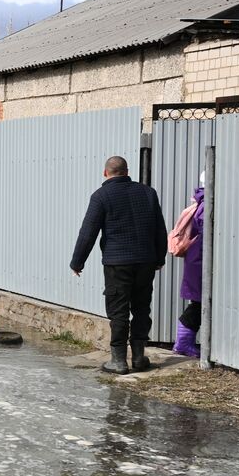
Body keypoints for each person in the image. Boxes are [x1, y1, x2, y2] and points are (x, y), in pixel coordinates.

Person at [69, 155, 168, 375]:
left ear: (106, 173)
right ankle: (140, 357)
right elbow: (159, 229)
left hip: (117, 263)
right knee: (142, 307)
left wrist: (77, 262)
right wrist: (159, 258)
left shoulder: (101, 196)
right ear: (127, 171)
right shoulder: (147, 193)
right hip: (145, 261)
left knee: (119, 310)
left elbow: (88, 233)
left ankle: (118, 360)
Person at [173, 172, 206, 358]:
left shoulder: (200, 202)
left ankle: (184, 342)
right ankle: (183, 343)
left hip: (196, 259)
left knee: (199, 302)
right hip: (200, 260)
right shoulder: (205, 205)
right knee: (199, 303)